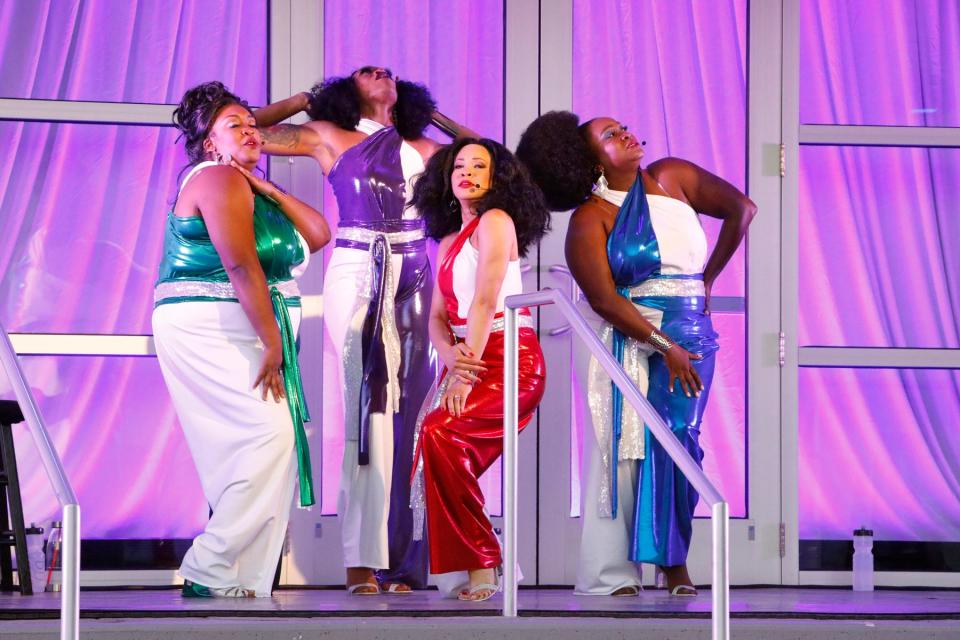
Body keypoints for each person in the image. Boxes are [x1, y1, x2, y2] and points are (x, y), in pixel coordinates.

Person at [253, 67, 476, 594]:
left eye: (391, 72)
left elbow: (485, 155)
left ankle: (406, 561)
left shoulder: (424, 146)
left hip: (417, 271)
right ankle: (360, 561)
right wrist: (310, 98)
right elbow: (249, 131)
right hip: (357, 266)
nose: (382, 73)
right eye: (367, 71)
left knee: (417, 409)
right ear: (347, 89)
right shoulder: (329, 135)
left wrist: (429, 113)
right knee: (366, 405)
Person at [517, 111, 755, 596]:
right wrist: (662, 345)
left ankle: (672, 562)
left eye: (621, 125)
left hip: (690, 330)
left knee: (679, 439)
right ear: (590, 160)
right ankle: (612, 573)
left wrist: (707, 279)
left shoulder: (673, 177)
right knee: (619, 450)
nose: (624, 132)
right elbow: (604, 300)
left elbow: (742, 209)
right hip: (626, 335)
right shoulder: (590, 217)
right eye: (609, 134)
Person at [152, 81, 330, 598]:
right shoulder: (216, 180)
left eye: (254, 125)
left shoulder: (243, 186)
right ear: (209, 142)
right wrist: (272, 342)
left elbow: (318, 234)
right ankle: (210, 566)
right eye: (236, 125)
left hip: (243, 322)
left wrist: (265, 185)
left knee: (257, 446)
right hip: (216, 324)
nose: (251, 130)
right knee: (270, 437)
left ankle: (237, 578)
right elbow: (239, 264)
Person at [408, 138, 550, 602]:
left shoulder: (496, 220)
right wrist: (448, 355)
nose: (466, 172)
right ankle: (482, 559)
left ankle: (485, 561)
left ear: (496, 178)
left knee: (443, 435)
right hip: (467, 352)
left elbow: (487, 299)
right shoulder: (446, 240)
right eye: (459, 165)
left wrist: (462, 372)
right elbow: (434, 316)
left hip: (511, 355)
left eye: (479, 165)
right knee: (437, 438)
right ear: (446, 179)